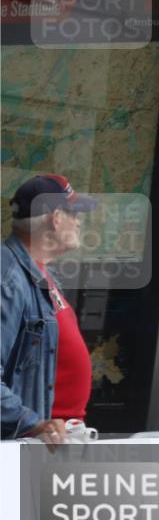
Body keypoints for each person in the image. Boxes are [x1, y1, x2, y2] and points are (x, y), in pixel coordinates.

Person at [2, 174, 97, 445]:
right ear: (55, 217)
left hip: (54, 441)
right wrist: (33, 425)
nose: (79, 222)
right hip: (32, 443)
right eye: (74, 214)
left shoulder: (43, 274)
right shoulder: (7, 277)